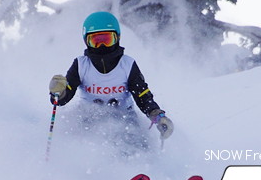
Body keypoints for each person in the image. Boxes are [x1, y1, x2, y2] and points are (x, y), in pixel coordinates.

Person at [49, 11, 173, 149]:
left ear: (117, 38)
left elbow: (142, 95)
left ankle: (143, 164)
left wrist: (156, 115)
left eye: (107, 40)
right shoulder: (81, 65)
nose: (102, 46)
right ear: (86, 41)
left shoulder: (127, 64)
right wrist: (58, 92)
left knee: (137, 145)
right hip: (89, 117)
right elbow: (65, 96)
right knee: (79, 145)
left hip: (125, 117)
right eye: (96, 41)